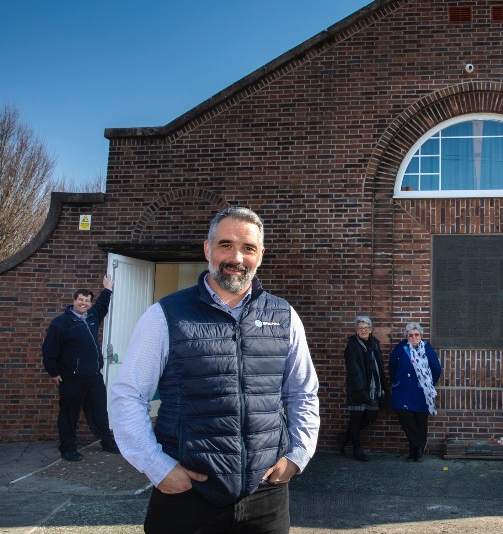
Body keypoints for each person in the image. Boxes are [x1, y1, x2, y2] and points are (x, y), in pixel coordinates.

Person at [110, 207, 320, 534]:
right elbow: (128, 396)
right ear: (207, 249)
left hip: (265, 496)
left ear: (260, 255)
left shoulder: (284, 316)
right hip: (186, 495)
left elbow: (303, 393)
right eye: (225, 245)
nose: (236, 257)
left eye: (248, 248)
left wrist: (298, 455)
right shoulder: (164, 315)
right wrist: (157, 467)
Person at [41, 275, 120, 461]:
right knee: (69, 415)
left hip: (93, 376)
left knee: (99, 412)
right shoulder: (60, 323)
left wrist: (107, 289)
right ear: (74, 301)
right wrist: (53, 372)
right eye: (81, 300)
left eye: (87, 301)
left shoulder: (92, 317)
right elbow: (49, 349)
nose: (84, 303)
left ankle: (106, 441)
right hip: (72, 379)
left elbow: (102, 305)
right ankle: (68, 448)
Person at [339, 315, 389, 462]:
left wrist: (383, 388)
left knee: (371, 417)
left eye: (366, 327)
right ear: (356, 330)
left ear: (371, 329)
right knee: (356, 420)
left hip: (373, 389)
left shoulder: (375, 344)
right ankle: (357, 450)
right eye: (360, 328)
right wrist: (361, 391)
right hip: (358, 389)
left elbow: (379, 367)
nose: (363, 330)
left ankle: (345, 437)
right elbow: (354, 371)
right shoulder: (352, 346)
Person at [388, 322, 441, 462]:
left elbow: (436, 369)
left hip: (421, 392)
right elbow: (392, 366)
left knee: (420, 423)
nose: (414, 337)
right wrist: (397, 381)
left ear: (421, 335)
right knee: (406, 420)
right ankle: (418, 447)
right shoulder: (400, 348)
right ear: (407, 336)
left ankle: (415, 453)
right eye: (410, 335)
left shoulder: (427, 349)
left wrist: (428, 384)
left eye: (416, 334)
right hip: (402, 391)